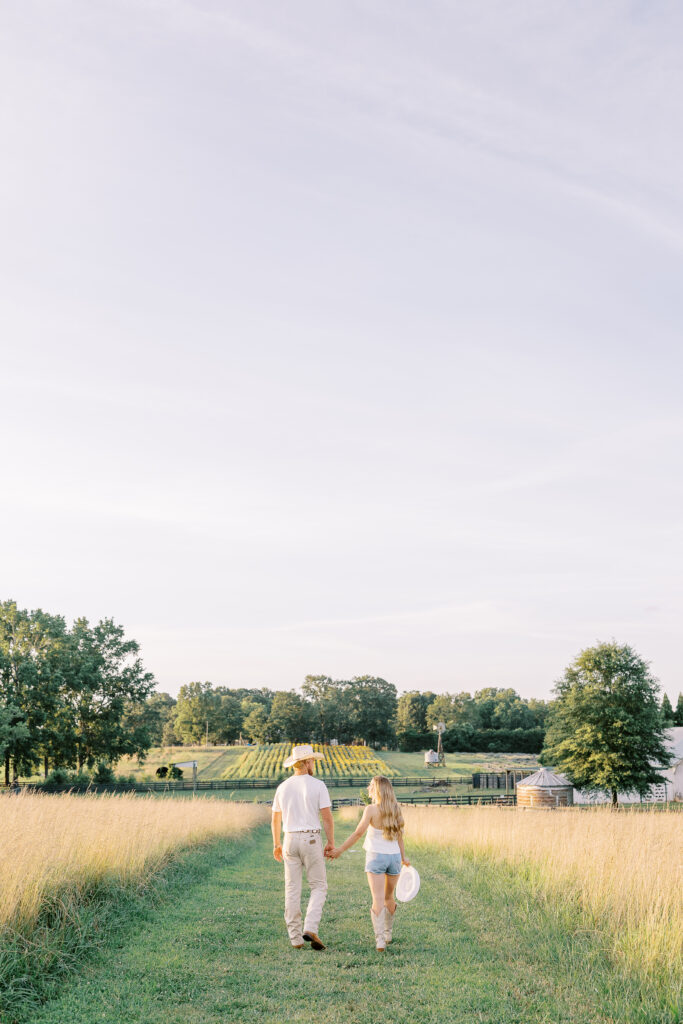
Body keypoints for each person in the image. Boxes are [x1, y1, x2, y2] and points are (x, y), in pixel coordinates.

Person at [328, 775, 410, 951]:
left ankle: (380, 940)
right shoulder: (396, 809)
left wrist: (340, 850)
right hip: (394, 857)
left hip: (376, 858)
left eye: (371, 786)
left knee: (377, 899)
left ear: (377, 790)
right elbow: (400, 836)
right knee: (389, 897)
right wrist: (404, 857)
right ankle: (388, 933)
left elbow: (358, 834)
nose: (368, 789)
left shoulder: (371, 810)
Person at [271, 743, 335, 951]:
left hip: (289, 839)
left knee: (292, 888)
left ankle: (295, 938)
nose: (313, 764)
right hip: (311, 839)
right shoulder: (318, 785)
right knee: (318, 886)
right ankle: (310, 926)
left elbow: (275, 820)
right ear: (307, 762)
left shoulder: (283, 787)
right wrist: (331, 842)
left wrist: (276, 844)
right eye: (312, 761)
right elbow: (327, 818)